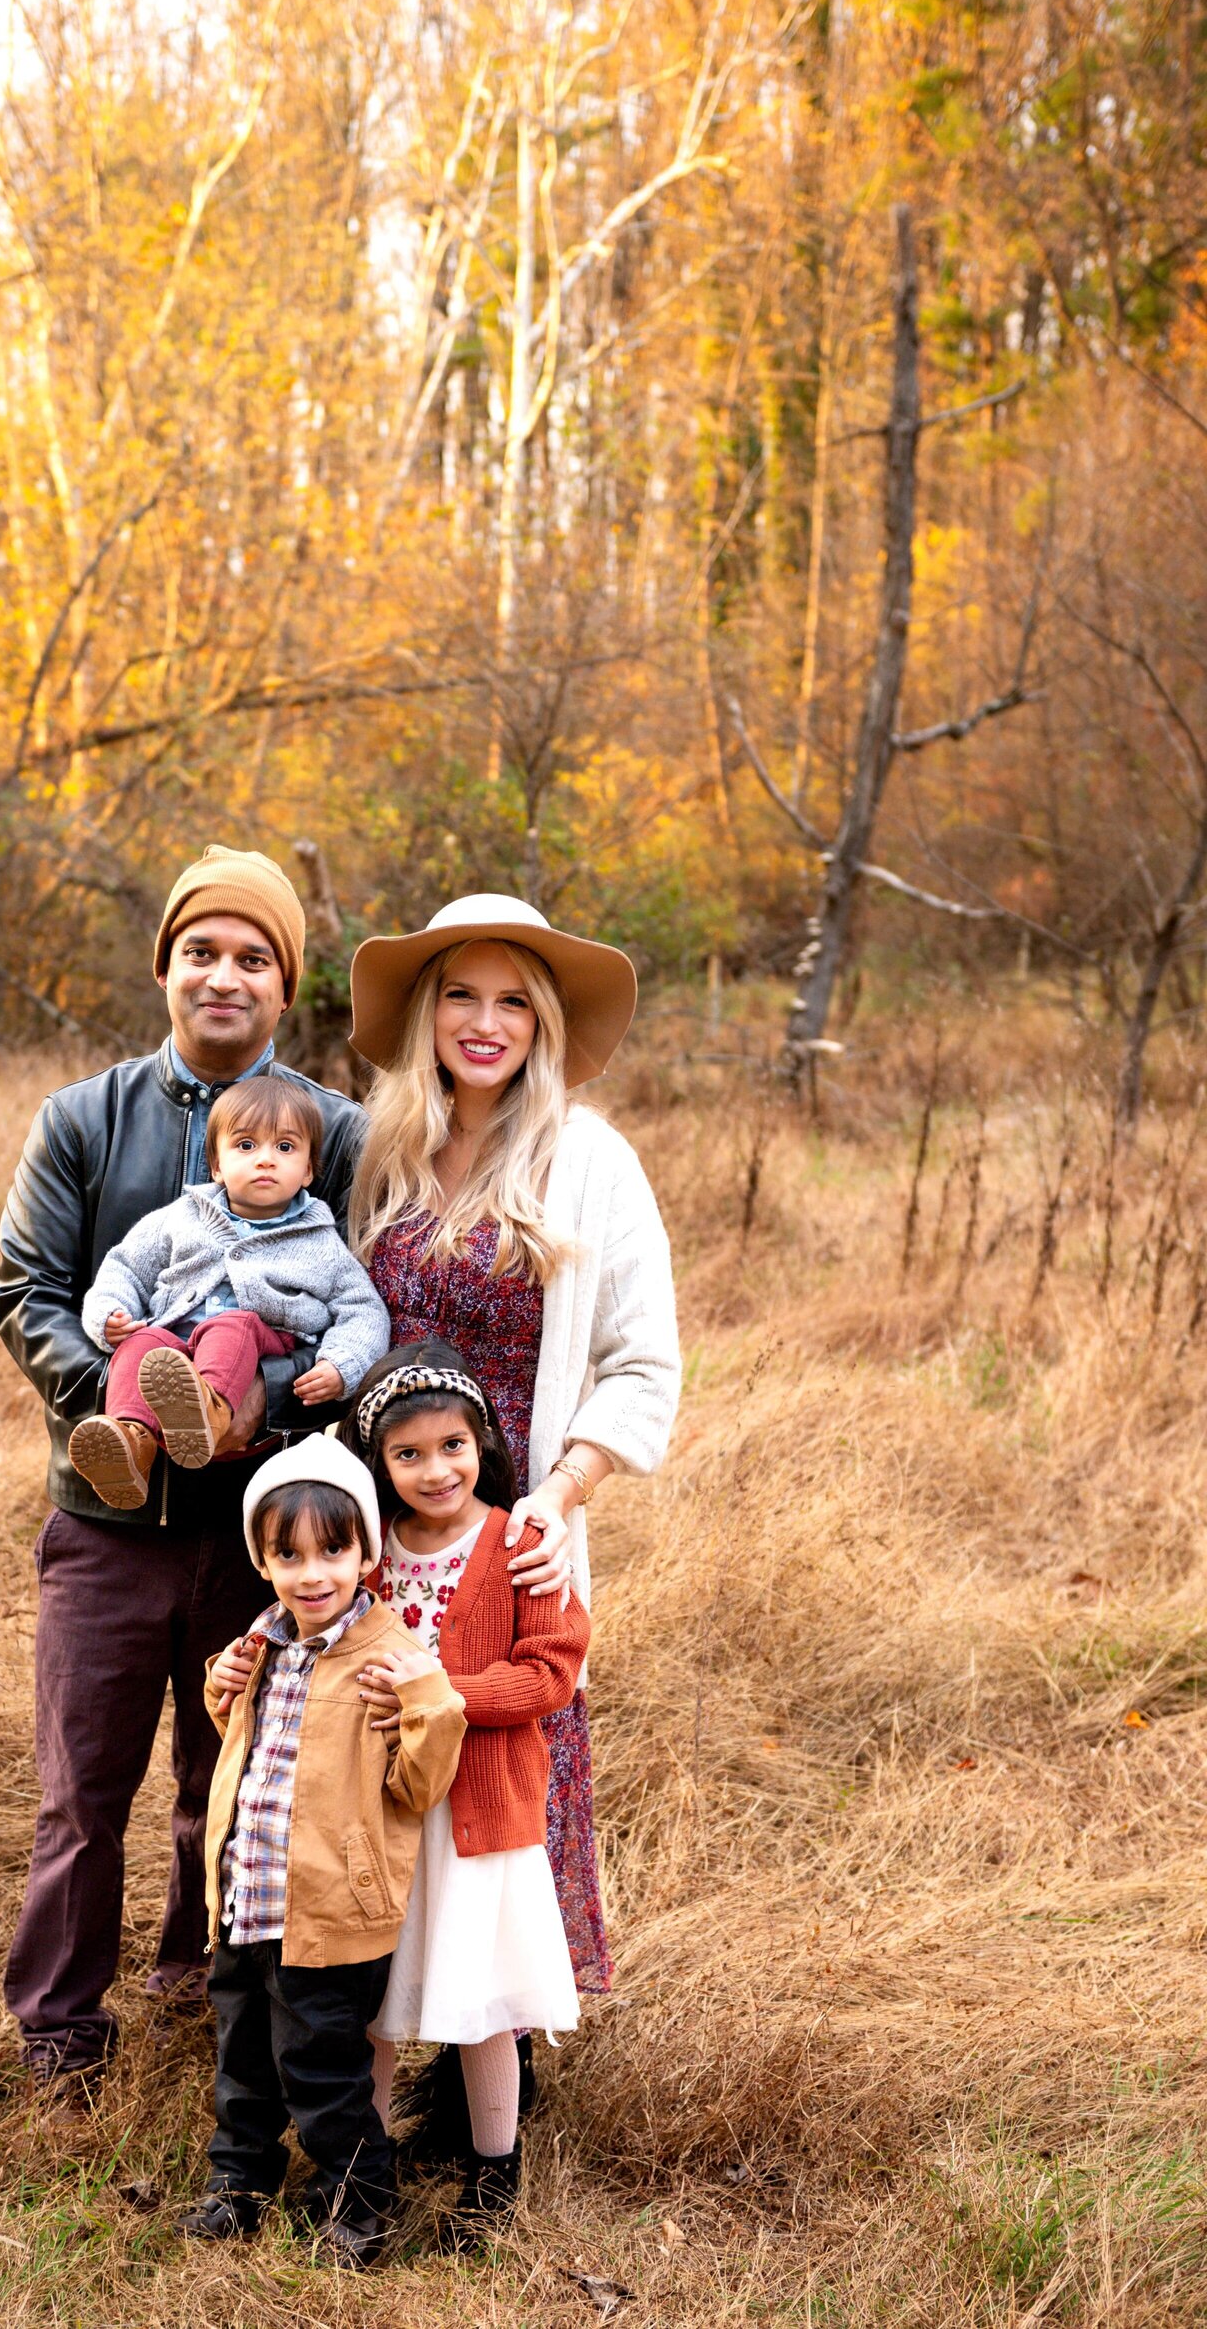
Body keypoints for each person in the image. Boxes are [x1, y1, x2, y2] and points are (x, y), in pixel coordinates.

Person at [0, 845, 366, 2105]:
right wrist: (118, 1403)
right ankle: (57, 2030)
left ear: (284, 985)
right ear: (165, 966)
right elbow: (27, 1291)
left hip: (263, 1528)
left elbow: (374, 1296)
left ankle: (195, 1986)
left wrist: (277, 1395)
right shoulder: (82, 1118)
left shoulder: (336, 1130)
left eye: (253, 957)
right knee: (81, 1788)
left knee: (234, 1779)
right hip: (103, 1516)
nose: (224, 975)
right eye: (201, 950)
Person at [345, 893, 680, 2144]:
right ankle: (369, 2050)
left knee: (498, 1784)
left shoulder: (588, 1159)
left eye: (511, 1000)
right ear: (426, 1013)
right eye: (459, 994)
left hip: (513, 1532)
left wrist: (559, 1490)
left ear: (541, 1022)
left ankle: (493, 2077)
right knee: (386, 1774)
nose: (484, 1022)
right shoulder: (377, 1155)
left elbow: (643, 1362)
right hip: (388, 1538)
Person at [186, 1436, 466, 2267]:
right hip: (246, 1900)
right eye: (289, 1554)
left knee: (323, 2071)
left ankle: (356, 2200)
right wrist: (219, 1686)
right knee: (242, 2061)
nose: (313, 1574)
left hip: (331, 1910)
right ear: (263, 1560)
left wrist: (422, 1698)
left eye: (333, 1550)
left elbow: (421, 1783)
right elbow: (252, 1752)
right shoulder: (261, 1643)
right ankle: (238, 2186)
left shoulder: (391, 1657)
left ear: (365, 1551)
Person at [344, 1342, 589, 2240]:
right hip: (387, 1811)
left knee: (485, 2003)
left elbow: (551, 1672)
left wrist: (446, 1693)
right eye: (408, 1454)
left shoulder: (521, 1544)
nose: (435, 1468)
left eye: (452, 1445)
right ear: (381, 1463)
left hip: (482, 1816)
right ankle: (360, 2172)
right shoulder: (371, 1555)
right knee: (373, 1999)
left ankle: (493, 2179)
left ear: (482, 1438)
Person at [68, 1076, 389, 1507]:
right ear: (216, 1165)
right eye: (246, 1145)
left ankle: (208, 1410)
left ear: (309, 1170)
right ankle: (132, 1443)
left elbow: (363, 1310)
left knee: (231, 1325)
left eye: (286, 1148)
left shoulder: (319, 1242)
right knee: (142, 1342)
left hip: (256, 1354)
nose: (265, 1161)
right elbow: (126, 1265)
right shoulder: (181, 1217)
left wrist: (341, 1364)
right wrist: (109, 1312)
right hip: (176, 1350)